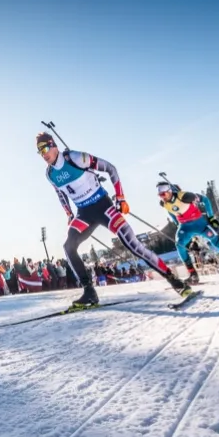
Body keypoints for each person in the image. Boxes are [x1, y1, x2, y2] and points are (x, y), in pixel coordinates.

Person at [36, 132, 191, 307]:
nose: (44, 154)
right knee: (68, 247)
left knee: (133, 245)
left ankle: (176, 282)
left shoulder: (75, 158)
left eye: (45, 148)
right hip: (84, 213)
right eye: (40, 152)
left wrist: (121, 197)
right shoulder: (50, 174)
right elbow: (61, 194)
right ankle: (89, 293)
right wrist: (69, 214)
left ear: (54, 145)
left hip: (103, 206)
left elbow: (111, 169)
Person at [156, 181, 219, 284]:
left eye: (163, 194)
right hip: (185, 227)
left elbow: (205, 200)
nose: (162, 197)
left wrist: (211, 218)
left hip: (199, 224)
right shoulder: (163, 203)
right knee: (179, 245)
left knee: (218, 244)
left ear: (170, 191)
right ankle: (193, 275)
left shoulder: (185, 196)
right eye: (159, 195)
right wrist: (177, 223)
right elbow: (172, 212)